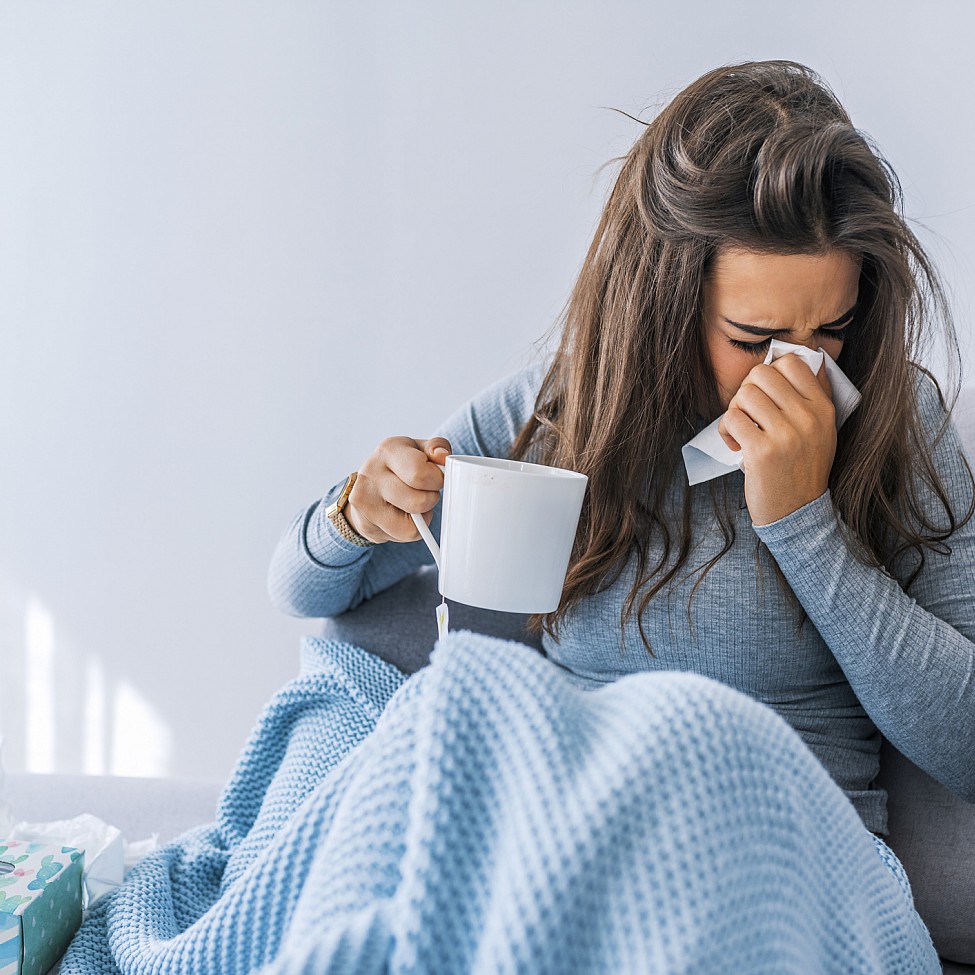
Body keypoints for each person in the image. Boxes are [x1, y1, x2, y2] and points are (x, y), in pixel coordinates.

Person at [268, 59, 975, 965]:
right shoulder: (559, 412)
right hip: (567, 834)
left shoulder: (890, 420)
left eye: (829, 330)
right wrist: (354, 514)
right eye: (754, 340)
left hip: (784, 854)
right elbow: (300, 589)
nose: (795, 376)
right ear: (663, 304)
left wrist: (806, 526)